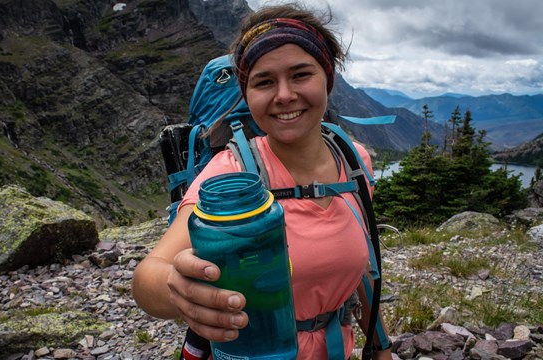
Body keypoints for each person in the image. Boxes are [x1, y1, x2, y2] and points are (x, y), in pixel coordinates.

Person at [133, 3, 393, 359]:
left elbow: (360, 261)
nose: (284, 95)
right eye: (264, 82)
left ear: (327, 77)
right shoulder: (233, 174)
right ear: (247, 92)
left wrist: (379, 345)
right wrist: (177, 290)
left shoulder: (353, 160)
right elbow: (148, 276)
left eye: (301, 74)